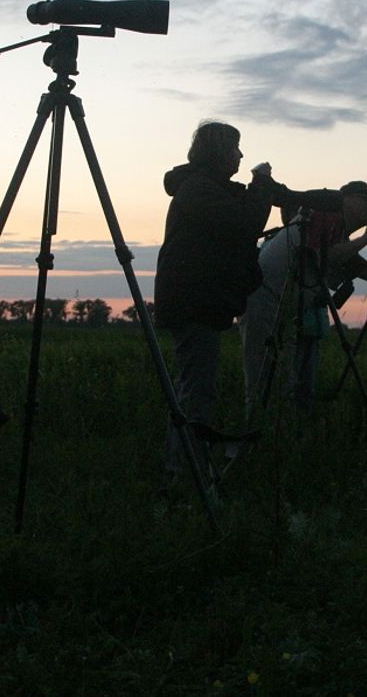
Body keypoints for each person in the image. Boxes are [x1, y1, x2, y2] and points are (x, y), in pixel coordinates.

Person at [154, 121, 277, 479]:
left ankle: (184, 465)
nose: (240, 155)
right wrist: (263, 184)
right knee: (197, 392)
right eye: (235, 149)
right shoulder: (199, 190)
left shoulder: (205, 188)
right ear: (219, 152)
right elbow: (248, 222)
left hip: (198, 302)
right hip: (194, 304)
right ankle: (184, 472)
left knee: (193, 386)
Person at [240, 180, 367, 415]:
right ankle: (255, 439)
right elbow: (322, 256)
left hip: (284, 309)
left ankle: (276, 437)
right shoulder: (325, 213)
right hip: (264, 299)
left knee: (281, 382)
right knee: (261, 379)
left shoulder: (341, 240)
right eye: (366, 199)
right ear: (346, 199)